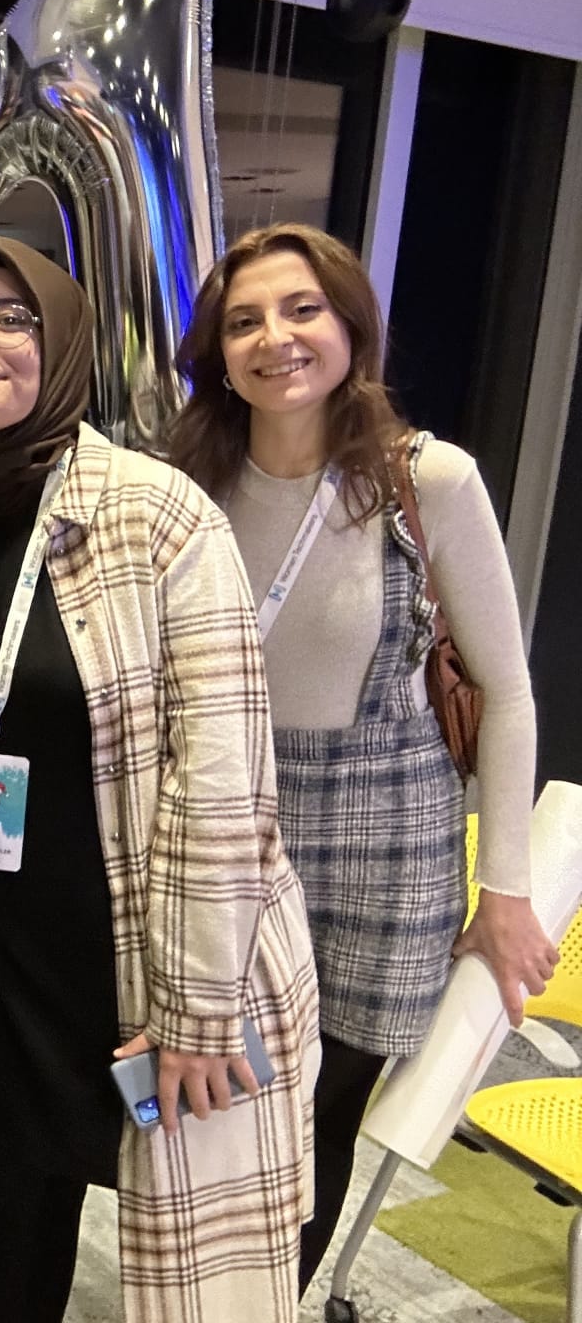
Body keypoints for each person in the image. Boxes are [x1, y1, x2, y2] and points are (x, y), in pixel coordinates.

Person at [0, 232, 320, 1322]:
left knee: (193, 1254)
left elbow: (224, 780)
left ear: (62, 341)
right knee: (10, 1216)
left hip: (145, 954)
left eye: (10, 317)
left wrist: (197, 1006)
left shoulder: (155, 514)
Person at [170, 222, 554, 1291]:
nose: (276, 338)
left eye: (303, 310)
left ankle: (266, 1306)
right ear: (216, 352)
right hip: (226, 838)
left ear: (352, 328)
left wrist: (506, 889)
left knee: (313, 1124)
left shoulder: (426, 480)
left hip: (385, 862)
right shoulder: (186, 482)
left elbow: (508, 693)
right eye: (244, 321)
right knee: (198, 1096)